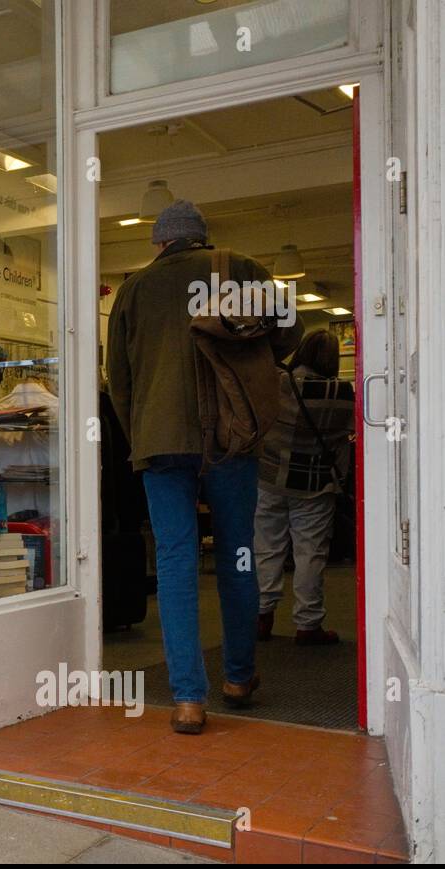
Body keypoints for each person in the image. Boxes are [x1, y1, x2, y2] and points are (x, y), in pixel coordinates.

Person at [106, 199, 302, 735]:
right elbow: (291, 332)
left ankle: (189, 699)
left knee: (174, 563)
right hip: (230, 437)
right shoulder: (237, 269)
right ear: (203, 237)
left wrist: (142, 430)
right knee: (239, 551)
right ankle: (238, 676)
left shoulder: (133, 290)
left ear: (159, 242)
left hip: (159, 442)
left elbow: (117, 380)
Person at [254, 330, 355, 645]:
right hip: (314, 486)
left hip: (269, 480)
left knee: (266, 549)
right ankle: (308, 625)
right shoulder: (342, 391)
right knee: (310, 554)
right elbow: (345, 438)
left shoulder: (277, 383)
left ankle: (261, 616)